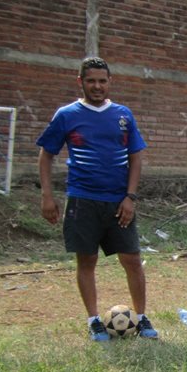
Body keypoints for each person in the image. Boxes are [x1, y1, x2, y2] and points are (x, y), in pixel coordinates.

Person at [36, 56, 158, 342]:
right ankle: (93, 321)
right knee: (86, 260)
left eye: (102, 81)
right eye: (91, 80)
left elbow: (135, 156)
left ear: (110, 82)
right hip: (82, 198)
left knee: (132, 258)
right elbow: (46, 155)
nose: (97, 86)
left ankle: (140, 319)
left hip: (118, 201)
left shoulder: (123, 115)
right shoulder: (66, 115)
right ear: (80, 82)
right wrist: (47, 196)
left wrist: (130, 197)